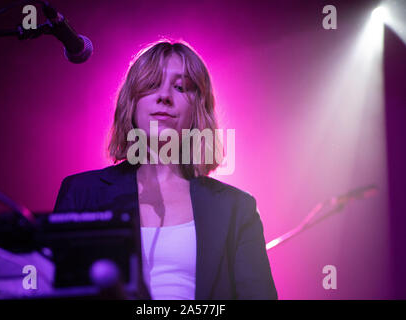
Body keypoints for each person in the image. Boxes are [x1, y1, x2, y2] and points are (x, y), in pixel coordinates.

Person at [54, 39, 277, 300]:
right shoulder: (82, 193)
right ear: (132, 102)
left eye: (181, 87)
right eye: (151, 85)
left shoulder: (237, 208)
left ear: (198, 109)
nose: (164, 97)